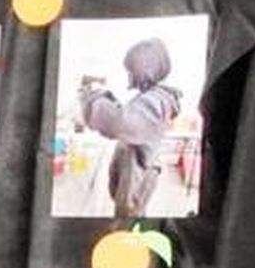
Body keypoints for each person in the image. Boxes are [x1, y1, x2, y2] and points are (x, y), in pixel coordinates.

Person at [78, 37, 182, 220]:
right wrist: (106, 97)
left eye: (131, 71)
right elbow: (128, 117)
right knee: (130, 217)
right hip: (137, 170)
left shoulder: (157, 101)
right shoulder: (153, 98)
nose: (129, 76)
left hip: (139, 172)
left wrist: (93, 95)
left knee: (128, 222)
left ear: (144, 70)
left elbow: (121, 123)